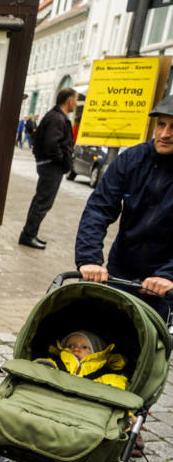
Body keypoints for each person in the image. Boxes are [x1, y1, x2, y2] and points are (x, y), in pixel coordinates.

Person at [75, 93, 173, 323]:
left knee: (154, 346)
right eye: (161, 124)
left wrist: (169, 275)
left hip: (165, 281)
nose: (165, 134)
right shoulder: (132, 159)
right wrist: (89, 259)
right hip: (122, 270)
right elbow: (99, 208)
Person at [20, 88, 77, 249]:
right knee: (43, 202)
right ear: (69, 101)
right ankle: (28, 235)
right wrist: (61, 159)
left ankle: (29, 233)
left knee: (41, 201)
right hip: (51, 167)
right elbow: (52, 144)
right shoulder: (57, 118)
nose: (76, 104)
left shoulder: (55, 116)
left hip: (50, 165)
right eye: (76, 100)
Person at [33, 330, 128, 389]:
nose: (76, 349)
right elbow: (36, 367)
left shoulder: (104, 374)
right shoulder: (57, 364)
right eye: (71, 346)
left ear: (97, 353)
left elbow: (118, 386)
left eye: (85, 347)